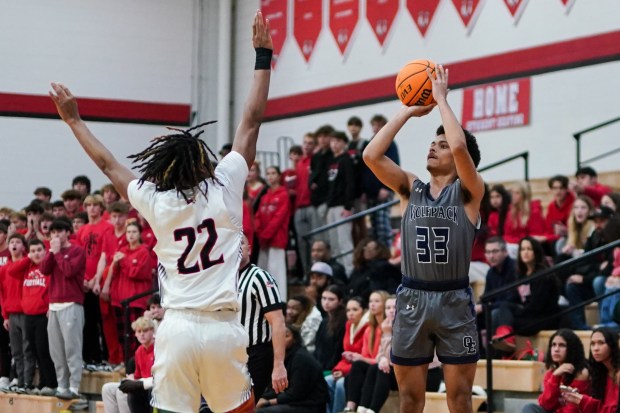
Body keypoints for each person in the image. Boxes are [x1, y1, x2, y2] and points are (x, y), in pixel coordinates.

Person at [49, 10, 273, 413]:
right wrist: (262, 56)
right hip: (222, 325)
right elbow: (251, 121)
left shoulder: (158, 201)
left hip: (177, 327)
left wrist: (74, 121)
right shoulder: (224, 185)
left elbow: (108, 165)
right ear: (202, 161)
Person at [362, 64, 483, 413]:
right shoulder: (409, 188)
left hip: (454, 301)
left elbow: (461, 148)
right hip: (413, 297)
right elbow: (371, 155)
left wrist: (441, 98)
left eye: (441, 144)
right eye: (433, 142)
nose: (434, 147)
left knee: (459, 399)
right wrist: (407, 109)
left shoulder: (469, 192)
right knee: (410, 401)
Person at [40, 219, 86, 400]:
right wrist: (52, 253)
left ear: (68, 232)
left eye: (59, 231)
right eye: (53, 232)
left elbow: (69, 271)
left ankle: (74, 386)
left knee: (72, 348)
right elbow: (44, 270)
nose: (56, 235)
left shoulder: (77, 251)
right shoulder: (53, 252)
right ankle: (62, 385)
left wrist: (58, 253)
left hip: (71, 304)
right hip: (53, 306)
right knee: (56, 350)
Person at [237, 235, 287, 401]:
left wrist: (279, 365)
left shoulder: (260, 277)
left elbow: (278, 322)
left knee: (243, 406)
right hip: (229, 354)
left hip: (256, 354)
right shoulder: (222, 280)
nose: (236, 247)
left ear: (249, 248)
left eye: (241, 243)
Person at [6, 239, 57, 395]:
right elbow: (11, 271)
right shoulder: (26, 267)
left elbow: (54, 288)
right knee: (33, 350)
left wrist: (50, 306)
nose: (36, 253)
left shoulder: (48, 268)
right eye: (33, 250)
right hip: (28, 315)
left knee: (43, 350)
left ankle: (51, 383)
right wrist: (29, 258)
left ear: (45, 251)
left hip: (43, 314)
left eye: (39, 250)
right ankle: (41, 383)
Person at [491, 237, 560, 352]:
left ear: (536, 252)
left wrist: (515, 312)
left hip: (543, 318)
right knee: (499, 311)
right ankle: (504, 344)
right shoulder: (521, 274)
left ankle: (502, 349)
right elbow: (514, 298)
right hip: (529, 315)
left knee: (503, 315)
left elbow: (536, 307)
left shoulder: (543, 275)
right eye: (522, 249)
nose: (525, 252)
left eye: (529, 249)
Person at [256, 324, 329, 413]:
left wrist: (267, 402)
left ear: (294, 340)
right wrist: (262, 398)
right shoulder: (281, 357)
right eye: (277, 335)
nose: (280, 338)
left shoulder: (301, 358)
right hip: (293, 402)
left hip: (309, 406)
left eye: (286, 335)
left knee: (260, 411)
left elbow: (296, 394)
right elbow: (276, 388)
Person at [521, 329, 589, 413]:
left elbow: (573, 409)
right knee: (530, 407)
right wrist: (555, 376)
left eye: (562, 345)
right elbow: (545, 405)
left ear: (572, 348)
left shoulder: (581, 373)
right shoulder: (552, 373)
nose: (556, 349)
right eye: (553, 345)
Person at [325, 296, 368, 413]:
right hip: (347, 367)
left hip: (360, 370)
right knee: (326, 381)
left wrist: (343, 372)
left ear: (364, 311)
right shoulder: (349, 325)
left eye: (355, 310)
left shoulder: (368, 327)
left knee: (340, 384)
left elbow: (363, 358)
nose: (350, 313)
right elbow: (346, 356)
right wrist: (338, 370)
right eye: (348, 310)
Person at [562, 327, 619, 412]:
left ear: (613, 345)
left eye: (601, 343)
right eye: (592, 344)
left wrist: (584, 401)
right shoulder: (599, 373)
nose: (595, 348)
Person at [255, 166, 291, 299]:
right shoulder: (264, 197)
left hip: (276, 239)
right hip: (264, 241)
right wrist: (260, 233)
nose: (270, 176)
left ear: (279, 176)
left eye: (273, 173)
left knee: (277, 272)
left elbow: (278, 218)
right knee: (263, 271)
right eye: (268, 173)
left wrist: (265, 234)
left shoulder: (283, 195)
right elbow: (257, 216)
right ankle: (262, 299)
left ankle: (279, 299)